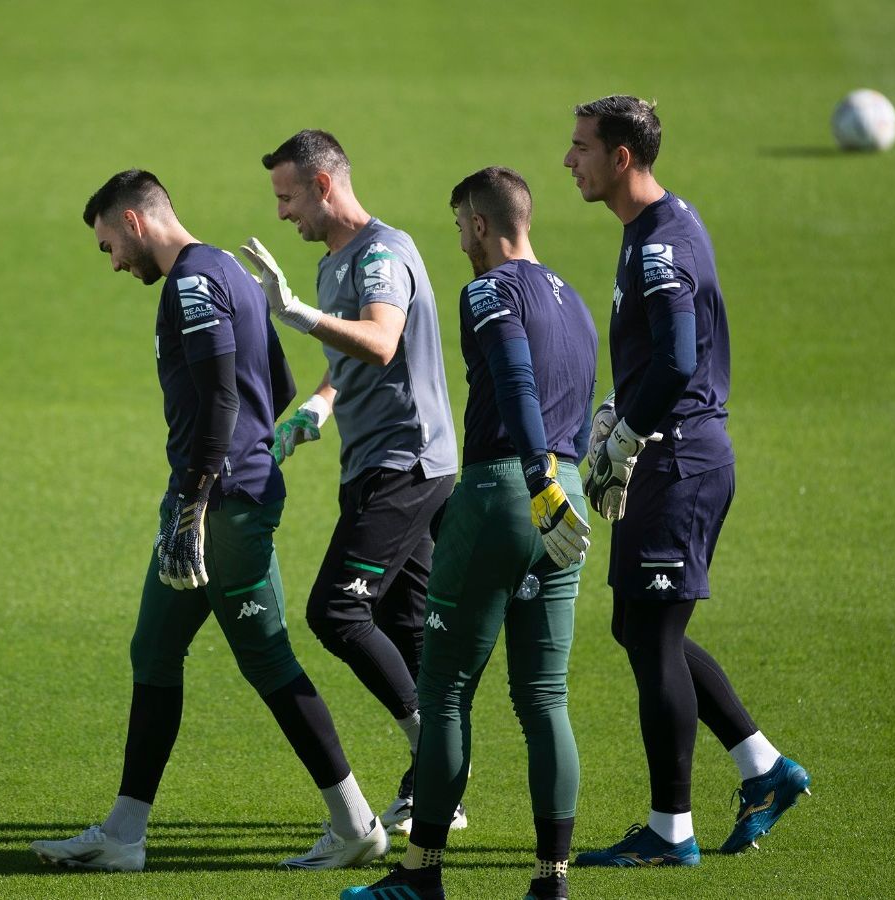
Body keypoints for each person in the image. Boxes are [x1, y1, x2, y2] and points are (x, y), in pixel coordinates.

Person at [30, 169, 389, 873]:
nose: (112, 263)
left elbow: (224, 397)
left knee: (267, 658)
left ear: (134, 221)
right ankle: (125, 835)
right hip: (215, 499)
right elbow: (279, 385)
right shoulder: (227, 268)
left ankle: (356, 824)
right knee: (154, 653)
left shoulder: (192, 282)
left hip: (221, 508)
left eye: (108, 245)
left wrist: (193, 504)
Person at [562, 96, 812, 867]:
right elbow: (657, 358)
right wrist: (616, 408)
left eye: (581, 148)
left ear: (623, 158)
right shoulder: (651, 230)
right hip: (672, 451)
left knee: (655, 635)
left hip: (677, 462)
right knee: (639, 628)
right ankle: (763, 768)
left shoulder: (663, 245)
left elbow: (676, 359)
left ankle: (672, 830)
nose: (570, 160)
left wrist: (629, 434)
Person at [343, 167, 596, 900]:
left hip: (506, 491)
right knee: (545, 696)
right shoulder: (574, 300)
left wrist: (533, 475)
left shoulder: (489, 291)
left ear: (481, 223)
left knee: (446, 688)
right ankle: (551, 880)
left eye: (459, 227)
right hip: (565, 497)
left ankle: (420, 879)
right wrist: (558, 483)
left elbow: (517, 383)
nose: (458, 242)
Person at [238, 130, 461, 834]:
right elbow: (356, 352)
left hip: (407, 464)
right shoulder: (340, 260)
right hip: (383, 462)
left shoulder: (380, 256)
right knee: (404, 624)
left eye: (287, 196)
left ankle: (436, 763)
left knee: (336, 611)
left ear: (323, 185)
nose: (281, 214)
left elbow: (382, 338)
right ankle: (439, 792)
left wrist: (296, 313)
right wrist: (321, 404)